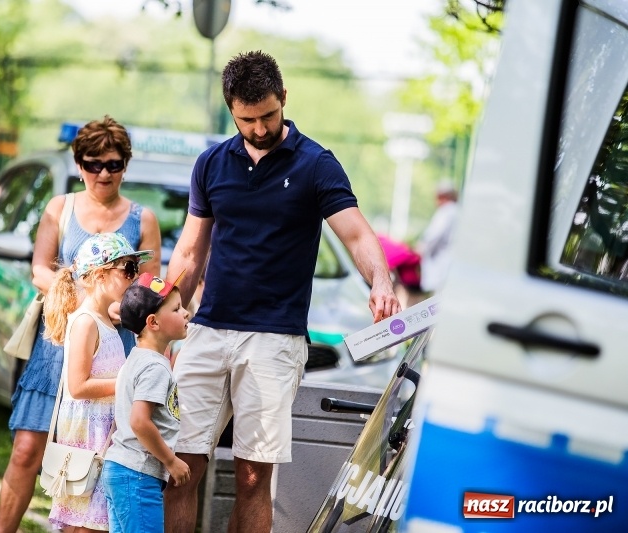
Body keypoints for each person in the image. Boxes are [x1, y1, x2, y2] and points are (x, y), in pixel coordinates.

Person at [163, 50, 401, 533]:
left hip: (274, 340)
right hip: (206, 332)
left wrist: (381, 280)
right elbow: (189, 254)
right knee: (179, 468)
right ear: (231, 108)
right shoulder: (211, 163)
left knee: (253, 476)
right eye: (246, 119)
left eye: (268, 115)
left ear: (284, 99)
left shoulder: (316, 164)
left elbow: (356, 234)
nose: (258, 128)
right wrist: (160, 317)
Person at [0, 116, 162, 533]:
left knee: (100, 456)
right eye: (93, 164)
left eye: (114, 164)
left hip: (112, 350)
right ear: (78, 163)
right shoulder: (60, 208)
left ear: (126, 165)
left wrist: (128, 310)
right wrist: (86, 300)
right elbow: (39, 270)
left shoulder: (144, 219)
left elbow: (149, 287)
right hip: (57, 344)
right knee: (26, 450)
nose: (103, 173)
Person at [43, 232, 153, 531]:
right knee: (84, 524)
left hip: (103, 438)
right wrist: (126, 384)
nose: (135, 277)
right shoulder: (85, 322)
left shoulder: (107, 322)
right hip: (86, 440)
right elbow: (77, 387)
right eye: (128, 269)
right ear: (99, 274)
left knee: (96, 523)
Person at [102, 272, 191, 533]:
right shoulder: (155, 368)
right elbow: (139, 422)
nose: (185, 313)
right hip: (137, 475)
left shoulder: (137, 358)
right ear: (153, 322)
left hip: (123, 471)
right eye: (176, 309)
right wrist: (171, 461)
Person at [416, 179, 459, 293]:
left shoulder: (446, 212)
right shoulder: (457, 211)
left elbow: (433, 236)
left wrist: (420, 249)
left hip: (441, 263)